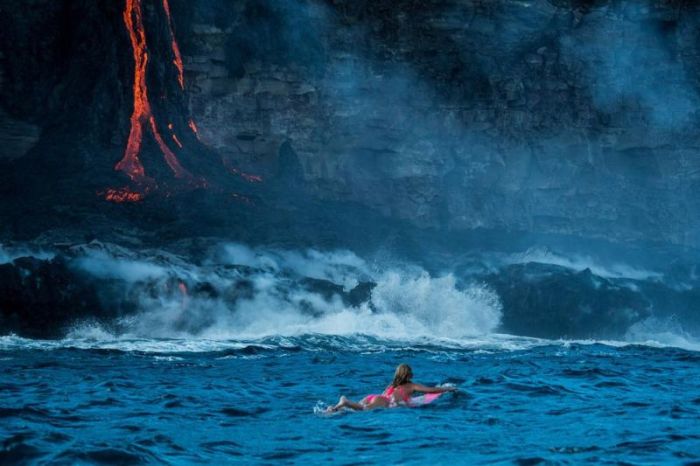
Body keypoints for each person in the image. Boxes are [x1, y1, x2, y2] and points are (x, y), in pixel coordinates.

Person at [326, 363, 456, 412]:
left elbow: (384, 395)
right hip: (383, 401)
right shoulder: (412, 385)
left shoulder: (392, 385)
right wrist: (447, 389)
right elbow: (430, 390)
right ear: (408, 374)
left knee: (357, 407)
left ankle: (336, 408)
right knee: (362, 409)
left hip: (374, 397)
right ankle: (344, 401)